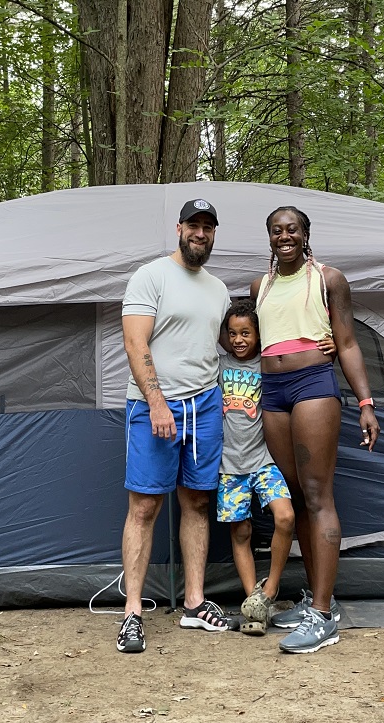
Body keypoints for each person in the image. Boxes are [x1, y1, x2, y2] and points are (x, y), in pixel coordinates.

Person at [249, 205, 381, 654]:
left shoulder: (328, 278)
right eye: (276, 231)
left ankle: (323, 616)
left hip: (313, 386)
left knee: (318, 493)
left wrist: (365, 403)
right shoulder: (259, 286)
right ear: (268, 237)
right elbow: (247, 341)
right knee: (296, 493)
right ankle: (315, 598)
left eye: (292, 229)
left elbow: (345, 342)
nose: (284, 236)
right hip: (272, 390)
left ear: (306, 235)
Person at [116, 198, 232, 654]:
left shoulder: (218, 289)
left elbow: (225, 343)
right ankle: (132, 613)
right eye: (194, 225)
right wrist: (158, 402)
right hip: (153, 407)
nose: (200, 234)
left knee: (198, 502)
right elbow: (134, 341)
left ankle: (195, 603)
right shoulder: (150, 277)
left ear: (213, 233)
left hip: (205, 406)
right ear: (179, 228)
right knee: (144, 507)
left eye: (209, 227)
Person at [217, 300, 295, 636]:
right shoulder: (217, 364)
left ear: (259, 335)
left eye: (245, 333)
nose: (238, 339)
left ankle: (269, 590)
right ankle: (253, 603)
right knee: (241, 532)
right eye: (232, 333)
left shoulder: (268, 366)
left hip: (263, 460)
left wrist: (330, 345)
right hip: (229, 466)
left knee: (286, 517)